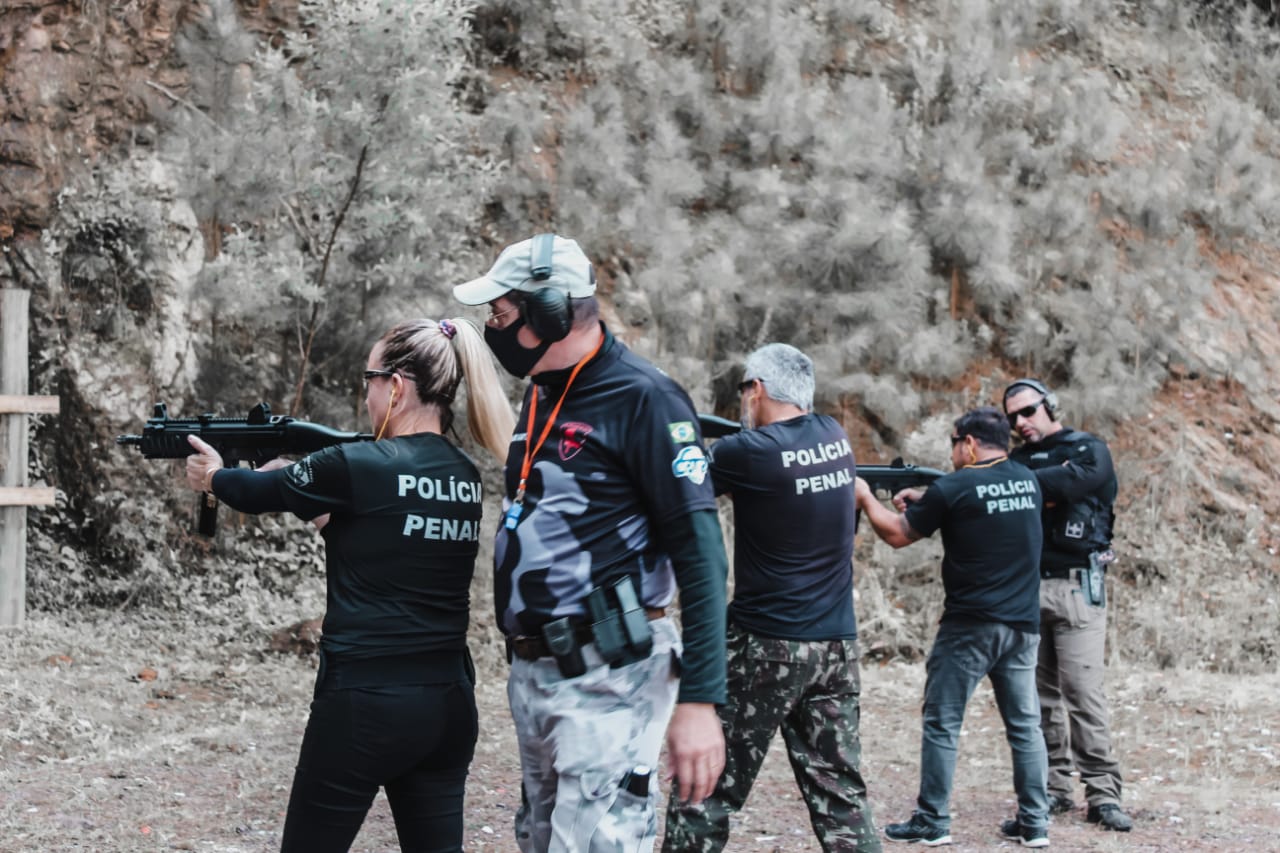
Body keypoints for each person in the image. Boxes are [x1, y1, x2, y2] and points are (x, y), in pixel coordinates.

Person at [183, 318, 514, 853]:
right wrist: (314, 502)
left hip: (365, 703)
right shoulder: (464, 474)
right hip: (447, 702)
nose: (367, 395)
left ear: (398, 386)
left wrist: (214, 477)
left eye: (370, 379)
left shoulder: (355, 462)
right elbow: (388, 536)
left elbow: (252, 490)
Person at [452, 233, 729, 852]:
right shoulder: (546, 391)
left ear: (549, 313)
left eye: (499, 313)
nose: (492, 328)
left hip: (612, 672)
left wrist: (702, 700)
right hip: (541, 670)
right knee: (546, 840)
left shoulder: (646, 400)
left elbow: (703, 555)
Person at [661, 343, 881, 853]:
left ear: (756, 389)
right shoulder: (834, 436)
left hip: (768, 645)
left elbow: (685, 490)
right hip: (836, 647)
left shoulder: (746, 452)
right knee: (840, 796)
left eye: (745, 389)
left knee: (705, 788)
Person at [854, 407, 1050, 848]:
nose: (952, 451)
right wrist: (929, 503)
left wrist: (866, 498)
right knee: (1025, 727)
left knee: (942, 722)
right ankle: (1035, 823)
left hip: (970, 627)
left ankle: (933, 820)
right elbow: (983, 514)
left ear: (970, 444)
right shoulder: (1027, 480)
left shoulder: (955, 486)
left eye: (954, 442)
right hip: (1022, 625)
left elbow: (898, 535)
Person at [1003, 378, 1132, 832]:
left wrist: (1024, 486)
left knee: (1083, 694)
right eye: (1013, 417)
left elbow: (1079, 482)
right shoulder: (1016, 460)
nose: (1021, 423)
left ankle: (1103, 793)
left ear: (1048, 406)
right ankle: (1054, 789)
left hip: (1078, 586)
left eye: (1029, 411)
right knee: (1039, 701)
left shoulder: (1087, 448)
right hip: (1027, 588)